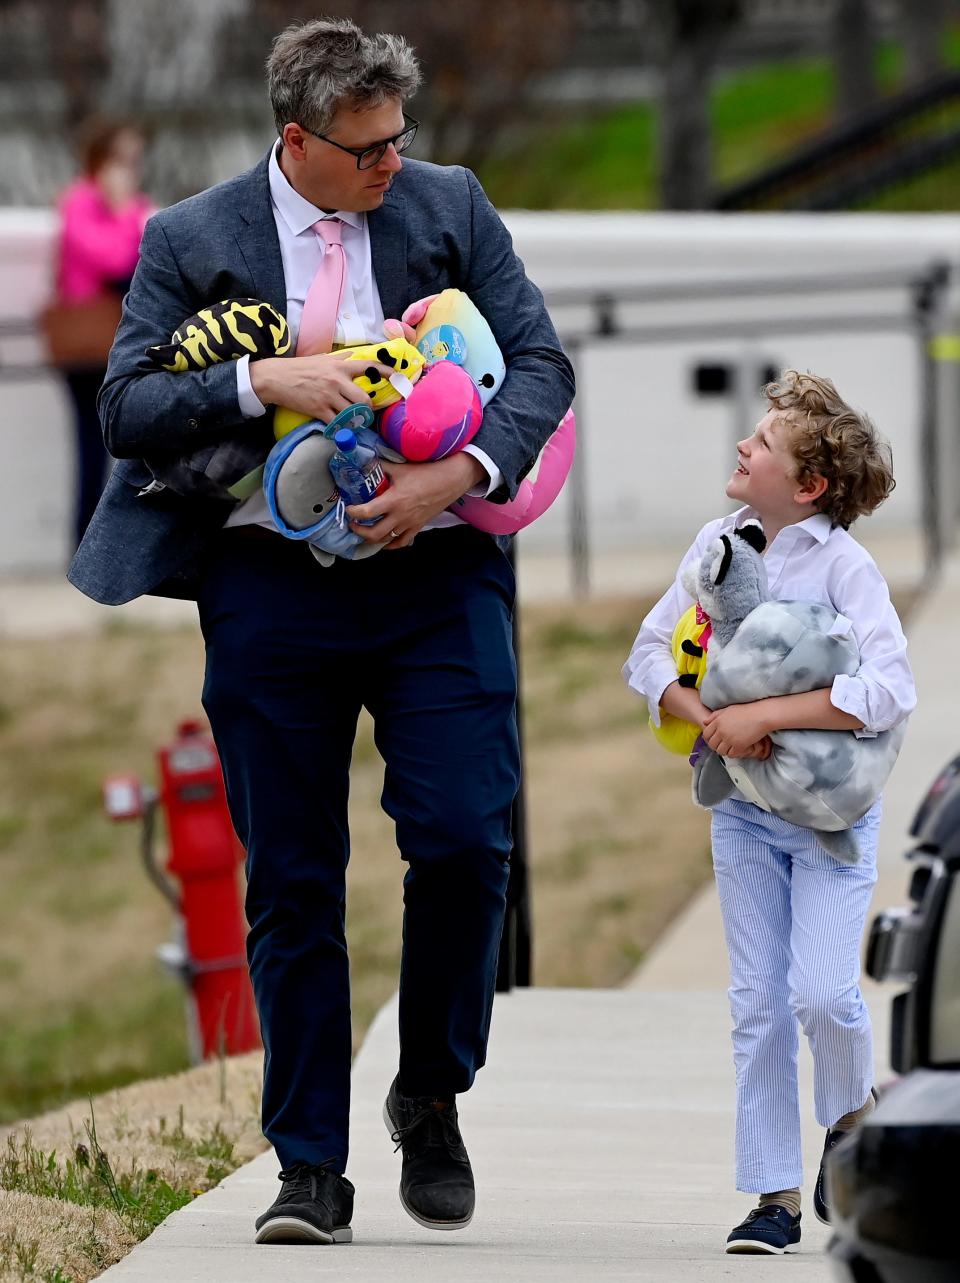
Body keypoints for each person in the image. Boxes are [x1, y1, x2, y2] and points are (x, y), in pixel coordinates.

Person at [68, 17, 574, 1246]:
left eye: (400, 138)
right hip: (270, 588)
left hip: (437, 576)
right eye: (368, 149)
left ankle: (430, 1088)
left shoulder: (451, 205)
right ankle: (308, 1163)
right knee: (292, 877)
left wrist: (457, 477)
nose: (392, 162)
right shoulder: (192, 237)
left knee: (464, 842)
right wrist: (262, 382)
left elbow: (545, 366)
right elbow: (128, 403)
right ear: (296, 139)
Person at [623, 370, 915, 1256]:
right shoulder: (717, 545)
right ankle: (774, 1197)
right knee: (756, 1002)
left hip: (828, 818)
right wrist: (701, 712)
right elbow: (646, 654)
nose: (742, 447)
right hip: (743, 811)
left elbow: (890, 687)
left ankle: (852, 1116)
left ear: (809, 485)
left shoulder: (843, 566)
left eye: (761, 442)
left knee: (823, 993)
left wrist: (766, 714)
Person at [52, 119, 153, 551]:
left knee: (126, 445)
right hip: (87, 344)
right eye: (121, 158)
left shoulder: (133, 204)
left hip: (122, 340)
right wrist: (122, 209)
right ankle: (86, 542)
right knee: (90, 445)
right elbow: (112, 261)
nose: (128, 168)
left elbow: (151, 258)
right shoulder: (80, 202)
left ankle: (111, 539)